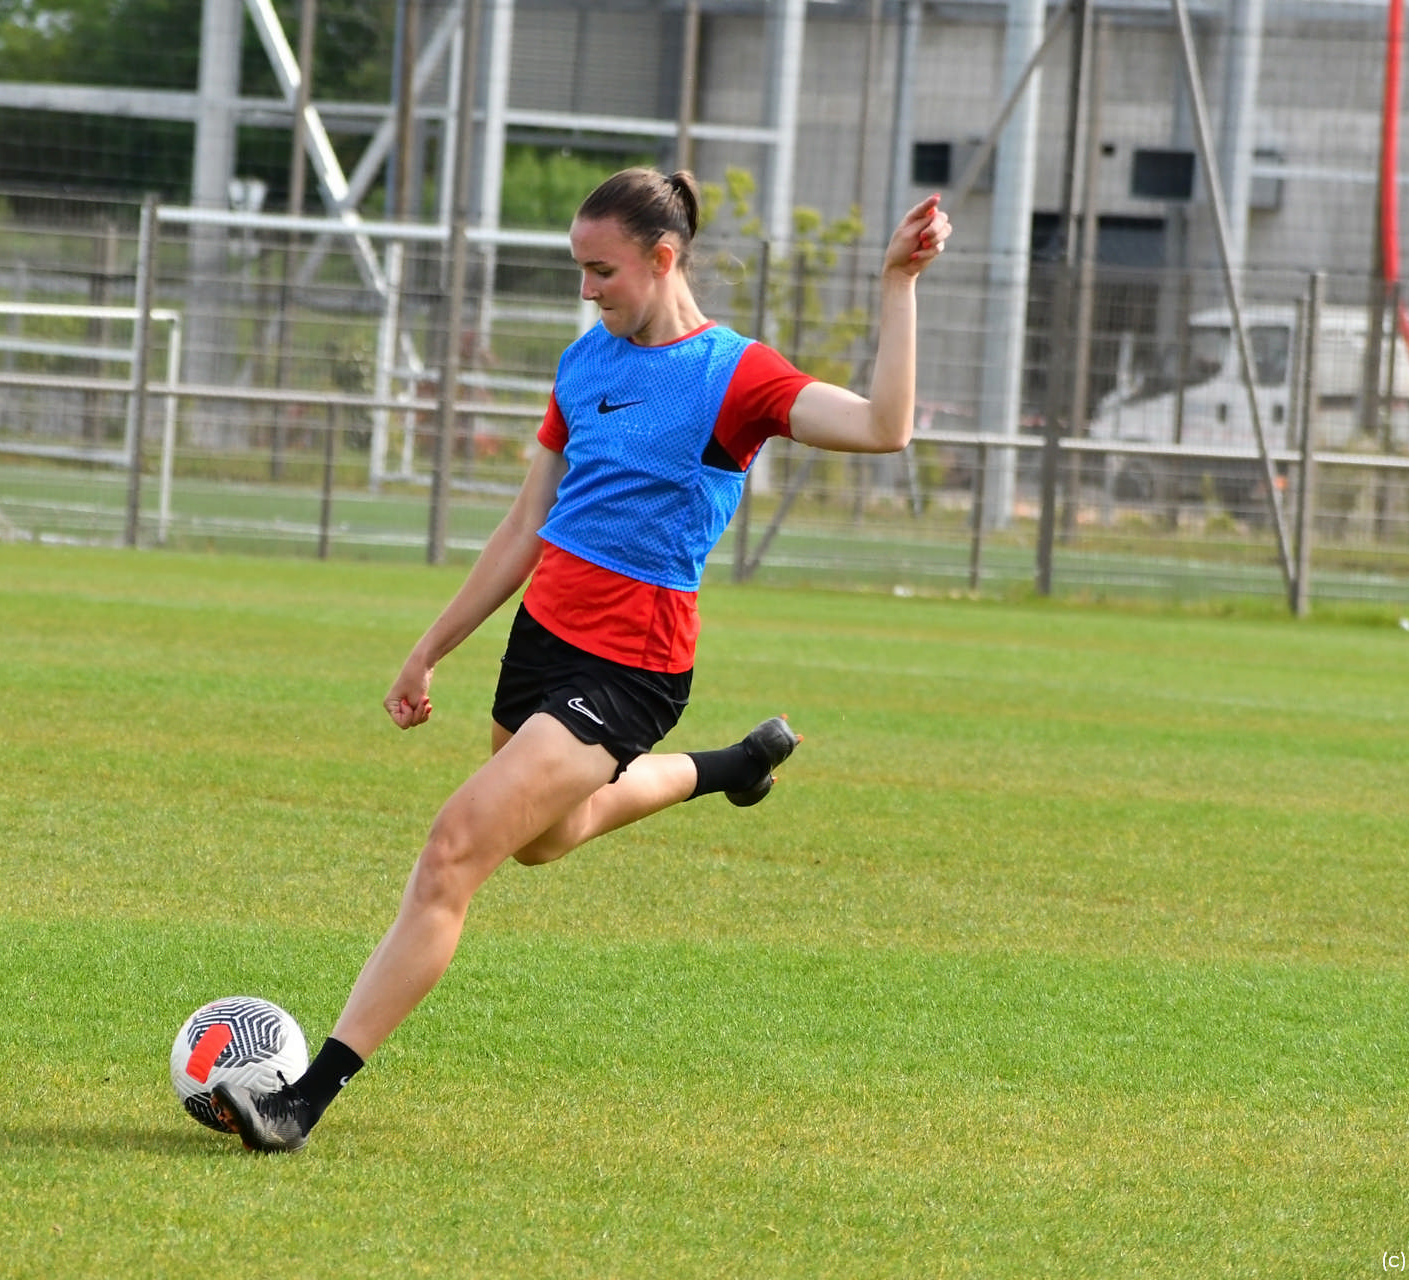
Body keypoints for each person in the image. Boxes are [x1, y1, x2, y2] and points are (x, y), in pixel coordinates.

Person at [214, 169, 951, 1153]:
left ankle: (300, 1102)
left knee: (453, 850)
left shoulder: (736, 374)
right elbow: (527, 524)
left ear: (663, 257)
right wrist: (429, 648)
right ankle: (728, 767)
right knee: (543, 839)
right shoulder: (582, 362)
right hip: (542, 643)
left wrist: (898, 283)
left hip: (631, 665)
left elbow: (884, 428)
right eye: (579, 268)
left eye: (602, 270)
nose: (587, 289)